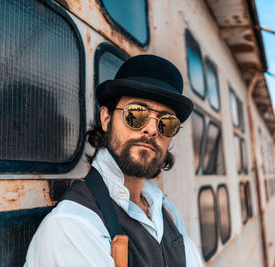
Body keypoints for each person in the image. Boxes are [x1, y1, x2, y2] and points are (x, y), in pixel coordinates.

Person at [25, 55, 203, 266]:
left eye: (167, 122)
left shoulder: (166, 210)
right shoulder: (72, 226)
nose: (152, 129)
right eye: (136, 114)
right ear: (106, 119)